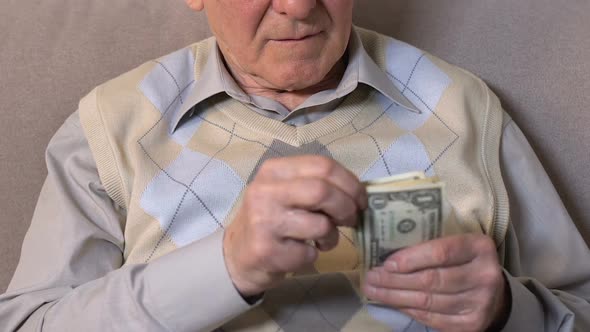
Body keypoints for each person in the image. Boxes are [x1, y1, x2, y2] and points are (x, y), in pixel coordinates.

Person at [1, 0, 589, 331]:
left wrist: (511, 312)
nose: (298, 4)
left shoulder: (466, 109)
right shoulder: (111, 125)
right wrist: (225, 269)